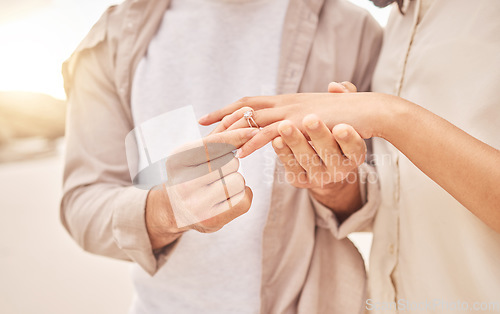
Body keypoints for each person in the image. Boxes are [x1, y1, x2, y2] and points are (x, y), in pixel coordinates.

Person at [60, 0, 383, 313]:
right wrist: (167, 210)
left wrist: (334, 186)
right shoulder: (112, 38)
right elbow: (83, 202)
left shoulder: (354, 31)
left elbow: (386, 201)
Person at [200, 0, 500, 313]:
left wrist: (387, 114)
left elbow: (389, 119)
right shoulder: (397, 24)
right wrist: (335, 184)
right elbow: (403, 199)